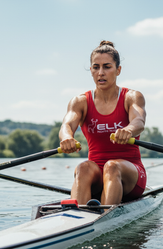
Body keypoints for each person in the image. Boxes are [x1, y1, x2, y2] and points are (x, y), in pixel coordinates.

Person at [59, 40, 147, 206]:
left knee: (112, 167)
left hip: (130, 176)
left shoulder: (131, 97)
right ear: (91, 70)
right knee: (83, 167)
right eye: (96, 67)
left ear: (118, 70)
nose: (101, 72)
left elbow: (139, 121)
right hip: (96, 176)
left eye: (107, 67)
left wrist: (128, 130)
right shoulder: (80, 101)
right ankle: (79, 219)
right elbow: (67, 125)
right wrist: (66, 138)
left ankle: (103, 217)